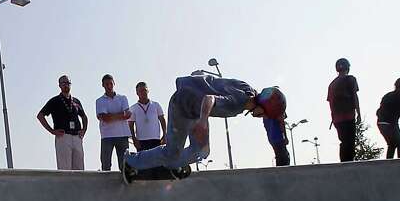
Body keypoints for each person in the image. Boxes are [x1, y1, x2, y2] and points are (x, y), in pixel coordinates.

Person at [121, 74, 286, 181]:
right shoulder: (238, 103)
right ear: (263, 108)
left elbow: (210, 81)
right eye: (264, 115)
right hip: (182, 107)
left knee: (201, 151)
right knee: (172, 151)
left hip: (193, 107)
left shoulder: (247, 88)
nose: (262, 117)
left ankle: (174, 165)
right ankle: (131, 162)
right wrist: (202, 122)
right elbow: (209, 99)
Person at [37, 75, 89, 171]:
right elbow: (40, 116)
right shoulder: (54, 101)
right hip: (63, 136)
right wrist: (52, 131)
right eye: (63, 83)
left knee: (79, 168)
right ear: (59, 86)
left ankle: (79, 186)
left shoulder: (76, 101)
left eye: (68, 83)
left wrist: (84, 130)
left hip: (77, 137)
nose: (66, 86)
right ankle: (65, 186)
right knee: (65, 168)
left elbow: (84, 117)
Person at [327, 58, 361, 162]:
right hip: (348, 115)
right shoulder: (350, 79)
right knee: (350, 142)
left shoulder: (332, 84)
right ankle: (349, 164)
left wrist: (333, 118)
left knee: (343, 141)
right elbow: (354, 96)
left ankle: (344, 163)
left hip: (337, 119)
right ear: (348, 67)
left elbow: (330, 102)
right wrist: (358, 113)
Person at [96, 74, 132, 171]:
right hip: (107, 136)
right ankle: (105, 185)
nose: (109, 86)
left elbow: (128, 115)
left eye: (110, 83)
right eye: (106, 84)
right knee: (106, 164)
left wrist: (111, 115)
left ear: (114, 83)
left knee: (124, 164)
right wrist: (121, 114)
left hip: (122, 135)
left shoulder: (122, 98)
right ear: (103, 85)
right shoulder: (99, 101)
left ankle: (125, 184)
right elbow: (105, 118)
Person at [376, 77, 400, 159]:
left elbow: (378, 111)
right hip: (390, 123)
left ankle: (388, 164)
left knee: (392, 144)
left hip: (381, 123)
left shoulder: (387, 95)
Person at [128, 82, 167, 151]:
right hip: (141, 141)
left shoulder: (156, 105)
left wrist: (165, 134)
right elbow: (130, 125)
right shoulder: (133, 108)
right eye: (140, 91)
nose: (143, 92)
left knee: (156, 161)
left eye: (144, 90)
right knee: (143, 161)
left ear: (148, 91)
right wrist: (134, 139)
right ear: (137, 93)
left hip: (156, 139)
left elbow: (162, 120)